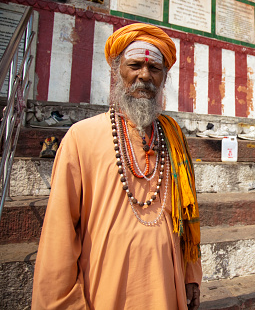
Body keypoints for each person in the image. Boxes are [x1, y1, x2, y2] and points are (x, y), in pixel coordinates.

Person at [32, 23, 202, 309]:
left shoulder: (173, 138)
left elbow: (186, 218)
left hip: (166, 287)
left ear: (164, 77)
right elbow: (59, 233)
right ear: (115, 69)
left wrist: (191, 274)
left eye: (154, 69)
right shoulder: (82, 137)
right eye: (134, 65)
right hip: (105, 290)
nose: (144, 76)